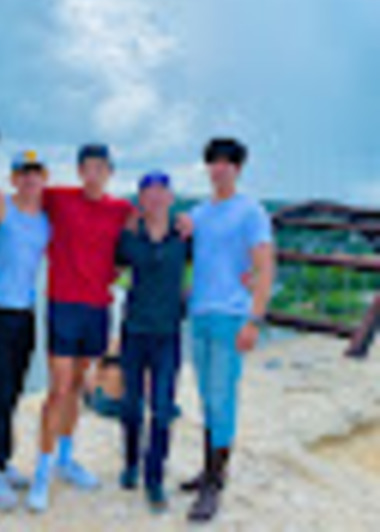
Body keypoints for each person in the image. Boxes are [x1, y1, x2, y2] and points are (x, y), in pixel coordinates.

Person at [26, 144, 136, 513]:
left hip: (98, 308)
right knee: (58, 389)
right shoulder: (59, 199)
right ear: (79, 171)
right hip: (63, 304)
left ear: (109, 173)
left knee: (76, 386)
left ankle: (65, 458)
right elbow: (21, 196)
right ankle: (42, 470)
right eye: (87, 168)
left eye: (100, 168)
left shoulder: (121, 209)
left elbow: (148, 227)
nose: (93, 174)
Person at [180, 138, 275, 523]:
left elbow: (265, 267)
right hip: (199, 315)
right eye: (213, 162)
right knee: (207, 396)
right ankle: (209, 469)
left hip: (231, 317)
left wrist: (254, 319)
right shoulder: (198, 213)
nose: (219, 169)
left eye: (226, 163)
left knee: (222, 398)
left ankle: (214, 484)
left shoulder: (251, 211)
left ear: (238, 169)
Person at [0, 151, 51, 510]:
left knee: (13, 392)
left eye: (35, 173)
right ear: (13, 178)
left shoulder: (45, 220)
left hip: (25, 313)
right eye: (23, 173)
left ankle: (3, 460)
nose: (29, 179)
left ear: (44, 178)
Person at [115, 171, 192, 513]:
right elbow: (111, 267)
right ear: (141, 200)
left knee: (162, 409)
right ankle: (131, 462)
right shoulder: (129, 237)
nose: (156, 198)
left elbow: (210, 265)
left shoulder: (185, 235)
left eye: (162, 191)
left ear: (171, 198)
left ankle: (154, 478)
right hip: (134, 332)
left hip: (168, 335)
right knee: (131, 406)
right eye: (148, 192)